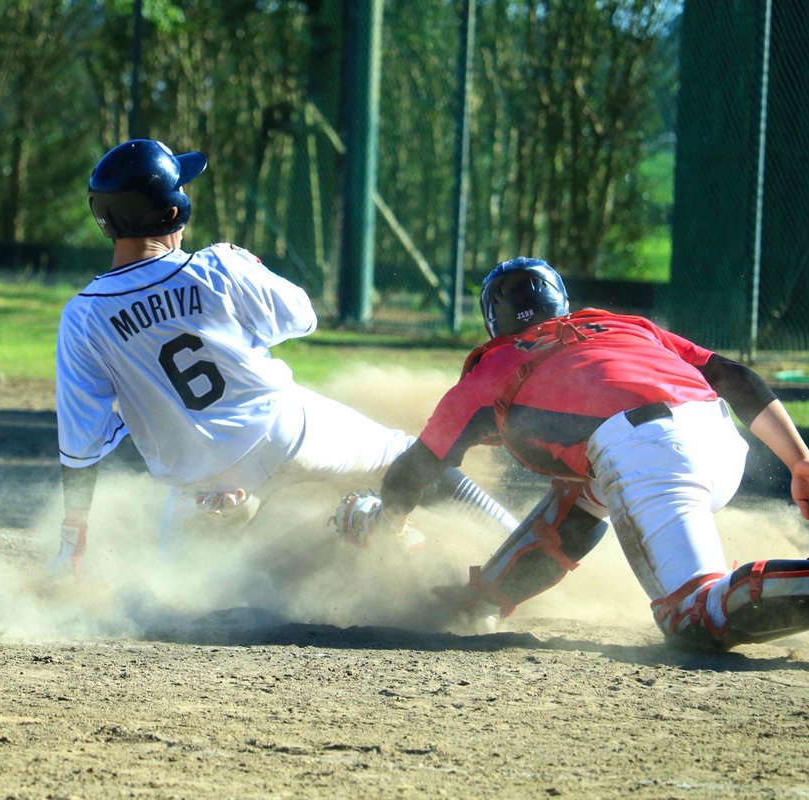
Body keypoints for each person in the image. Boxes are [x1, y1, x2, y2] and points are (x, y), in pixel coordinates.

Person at [334, 256, 809, 653]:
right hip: (717, 436)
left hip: (649, 454)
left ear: (494, 322)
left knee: (693, 618)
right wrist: (799, 460)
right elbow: (732, 376)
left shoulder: (494, 366)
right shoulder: (620, 325)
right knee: (580, 493)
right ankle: (485, 599)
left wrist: (390, 523)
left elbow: (415, 468)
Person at [49, 138, 517, 575]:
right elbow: (300, 317)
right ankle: (509, 546)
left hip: (198, 482)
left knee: (188, 593)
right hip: (286, 432)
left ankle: (255, 515)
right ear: (175, 211)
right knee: (408, 457)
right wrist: (244, 266)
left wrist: (73, 540)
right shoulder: (217, 266)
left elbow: (80, 446)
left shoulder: (82, 317)